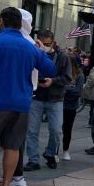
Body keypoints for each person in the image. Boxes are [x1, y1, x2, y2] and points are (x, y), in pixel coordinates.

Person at [0, 7, 56, 186]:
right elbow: (50, 69)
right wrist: (42, 51)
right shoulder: (30, 47)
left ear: (1, 21)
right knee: (12, 146)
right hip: (22, 104)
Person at [24, 30, 72, 170]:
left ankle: (50, 153)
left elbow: (67, 78)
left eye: (48, 44)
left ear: (53, 43)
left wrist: (53, 81)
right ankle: (33, 159)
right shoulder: (32, 53)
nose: (45, 46)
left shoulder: (62, 56)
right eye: (42, 43)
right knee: (32, 130)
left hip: (55, 98)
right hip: (36, 97)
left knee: (56, 130)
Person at [61, 54, 85, 161]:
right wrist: (68, 89)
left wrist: (65, 89)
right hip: (60, 104)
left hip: (71, 107)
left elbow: (77, 92)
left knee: (67, 129)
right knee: (56, 129)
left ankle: (65, 150)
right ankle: (54, 151)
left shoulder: (79, 76)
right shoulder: (63, 73)